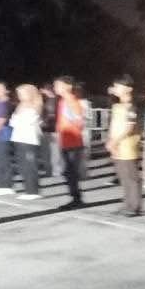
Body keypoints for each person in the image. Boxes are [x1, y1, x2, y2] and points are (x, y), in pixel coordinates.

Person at [106, 77, 144, 217]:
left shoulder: (131, 106)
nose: (115, 89)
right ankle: (127, 204)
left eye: (118, 86)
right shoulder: (117, 106)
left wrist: (115, 141)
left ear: (128, 89)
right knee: (123, 177)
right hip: (117, 146)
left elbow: (129, 128)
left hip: (127, 146)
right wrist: (110, 141)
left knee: (131, 177)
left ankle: (134, 207)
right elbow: (113, 125)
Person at [53, 77, 87, 209]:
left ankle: (77, 199)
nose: (55, 88)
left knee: (71, 172)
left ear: (68, 86)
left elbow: (79, 122)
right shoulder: (62, 101)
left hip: (73, 142)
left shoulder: (71, 101)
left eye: (58, 85)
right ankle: (75, 198)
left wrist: (70, 127)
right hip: (66, 142)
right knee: (68, 172)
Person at [10, 84, 44, 199]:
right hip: (18, 138)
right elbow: (13, 122)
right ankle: (28, 190)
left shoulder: (36, 105)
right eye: (19, 94)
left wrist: (18, 119)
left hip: (29, 139)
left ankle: (33, 191)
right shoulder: (20, 105)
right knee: (23, 165)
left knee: (30, 166)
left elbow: (28, 121)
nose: (20, 96)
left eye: (22, 93)